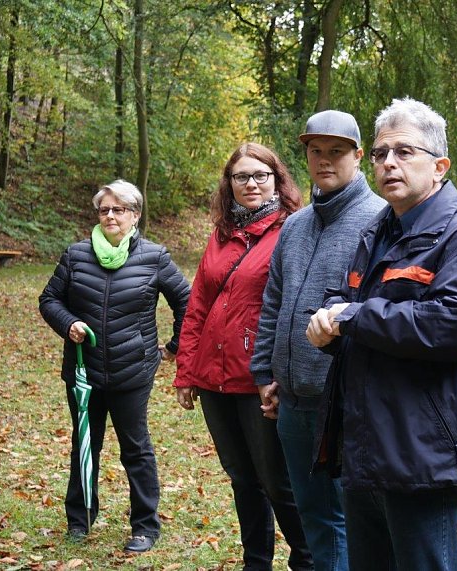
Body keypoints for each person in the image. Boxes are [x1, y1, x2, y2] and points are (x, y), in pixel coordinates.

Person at [306, 98, 457, 571]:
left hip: (421, 453)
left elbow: (455, 324)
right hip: (364, 445)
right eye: (379, 154)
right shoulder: (377, 232)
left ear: (439, 166)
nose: (389, 163)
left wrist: (351, 318)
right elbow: (346, 302)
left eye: (404, 152)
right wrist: (327, 327)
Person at [250, 110, 384, 571]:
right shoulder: (295, 224)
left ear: (358, 155)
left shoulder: (381, 220)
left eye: (337, 151)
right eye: (315, 151)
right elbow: (274, 302)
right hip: (292, 400)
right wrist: (265, 373)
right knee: (311, 516)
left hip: (346, 401)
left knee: (350, 517)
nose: (325, 160)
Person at [174, 143, 313, 571]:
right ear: (229, 184)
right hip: (212, 377)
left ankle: (307, 558)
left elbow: (292, 305)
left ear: (276, 179)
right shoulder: (222, 234)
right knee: (241, 477)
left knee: (276, 479)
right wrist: (185, 371)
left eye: (260, 175)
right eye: (241, 177)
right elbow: (198, 303)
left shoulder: (292, 229)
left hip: (259, 378)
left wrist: (276, 372)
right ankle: (257, 561)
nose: (251, 184)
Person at [39, 179, 190, 553]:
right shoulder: (75, 255)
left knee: (135, 449)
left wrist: (172, 348)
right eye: (104, 209)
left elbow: (187, 303)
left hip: (132, 371)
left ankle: (144, 526)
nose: (110, 216)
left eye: (118, 209)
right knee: (85, 443)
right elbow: (49, 299)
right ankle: (80, 518)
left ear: (135, 215)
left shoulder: (154, 256)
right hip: (83, 372)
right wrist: (67, 323)